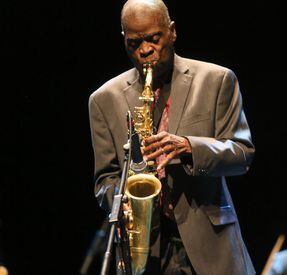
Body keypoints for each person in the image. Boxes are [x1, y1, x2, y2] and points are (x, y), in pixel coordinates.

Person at [88, 0, 255, 274]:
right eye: (134, 43)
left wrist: (190, 147)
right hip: (146, 249)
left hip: (210, 246)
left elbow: (242, 153)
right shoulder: (104, 99)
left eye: (154, 39)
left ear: (172, 31)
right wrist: (124, 202)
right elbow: (105, 178)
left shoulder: (217, 79)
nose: (145, 50)